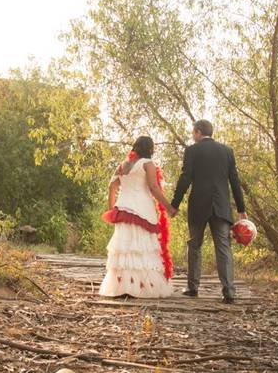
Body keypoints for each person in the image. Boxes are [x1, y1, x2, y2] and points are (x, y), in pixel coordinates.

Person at [170, 119, 246, 304]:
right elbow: (234, 181)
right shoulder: (227, 151)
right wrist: (241, 209)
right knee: (223, 247)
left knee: (194, 245)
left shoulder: (192, 150)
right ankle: (229, 291)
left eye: (192, 132)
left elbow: (185, 177)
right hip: (221, 206)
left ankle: (192, 288)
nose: (192, 135)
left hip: (198, 205)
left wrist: (175, 204)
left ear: (197, 132)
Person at [99, 136, 175, 298]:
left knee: (125, 248)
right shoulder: (148, 164)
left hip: (123, 208)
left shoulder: (123, 165)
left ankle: (122, 287)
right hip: (142, 209)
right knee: (141, 247)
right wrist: (169, 208)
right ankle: (142, 287)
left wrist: (111, 209)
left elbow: (112, 186)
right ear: (150, 149)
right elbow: (154, 188)